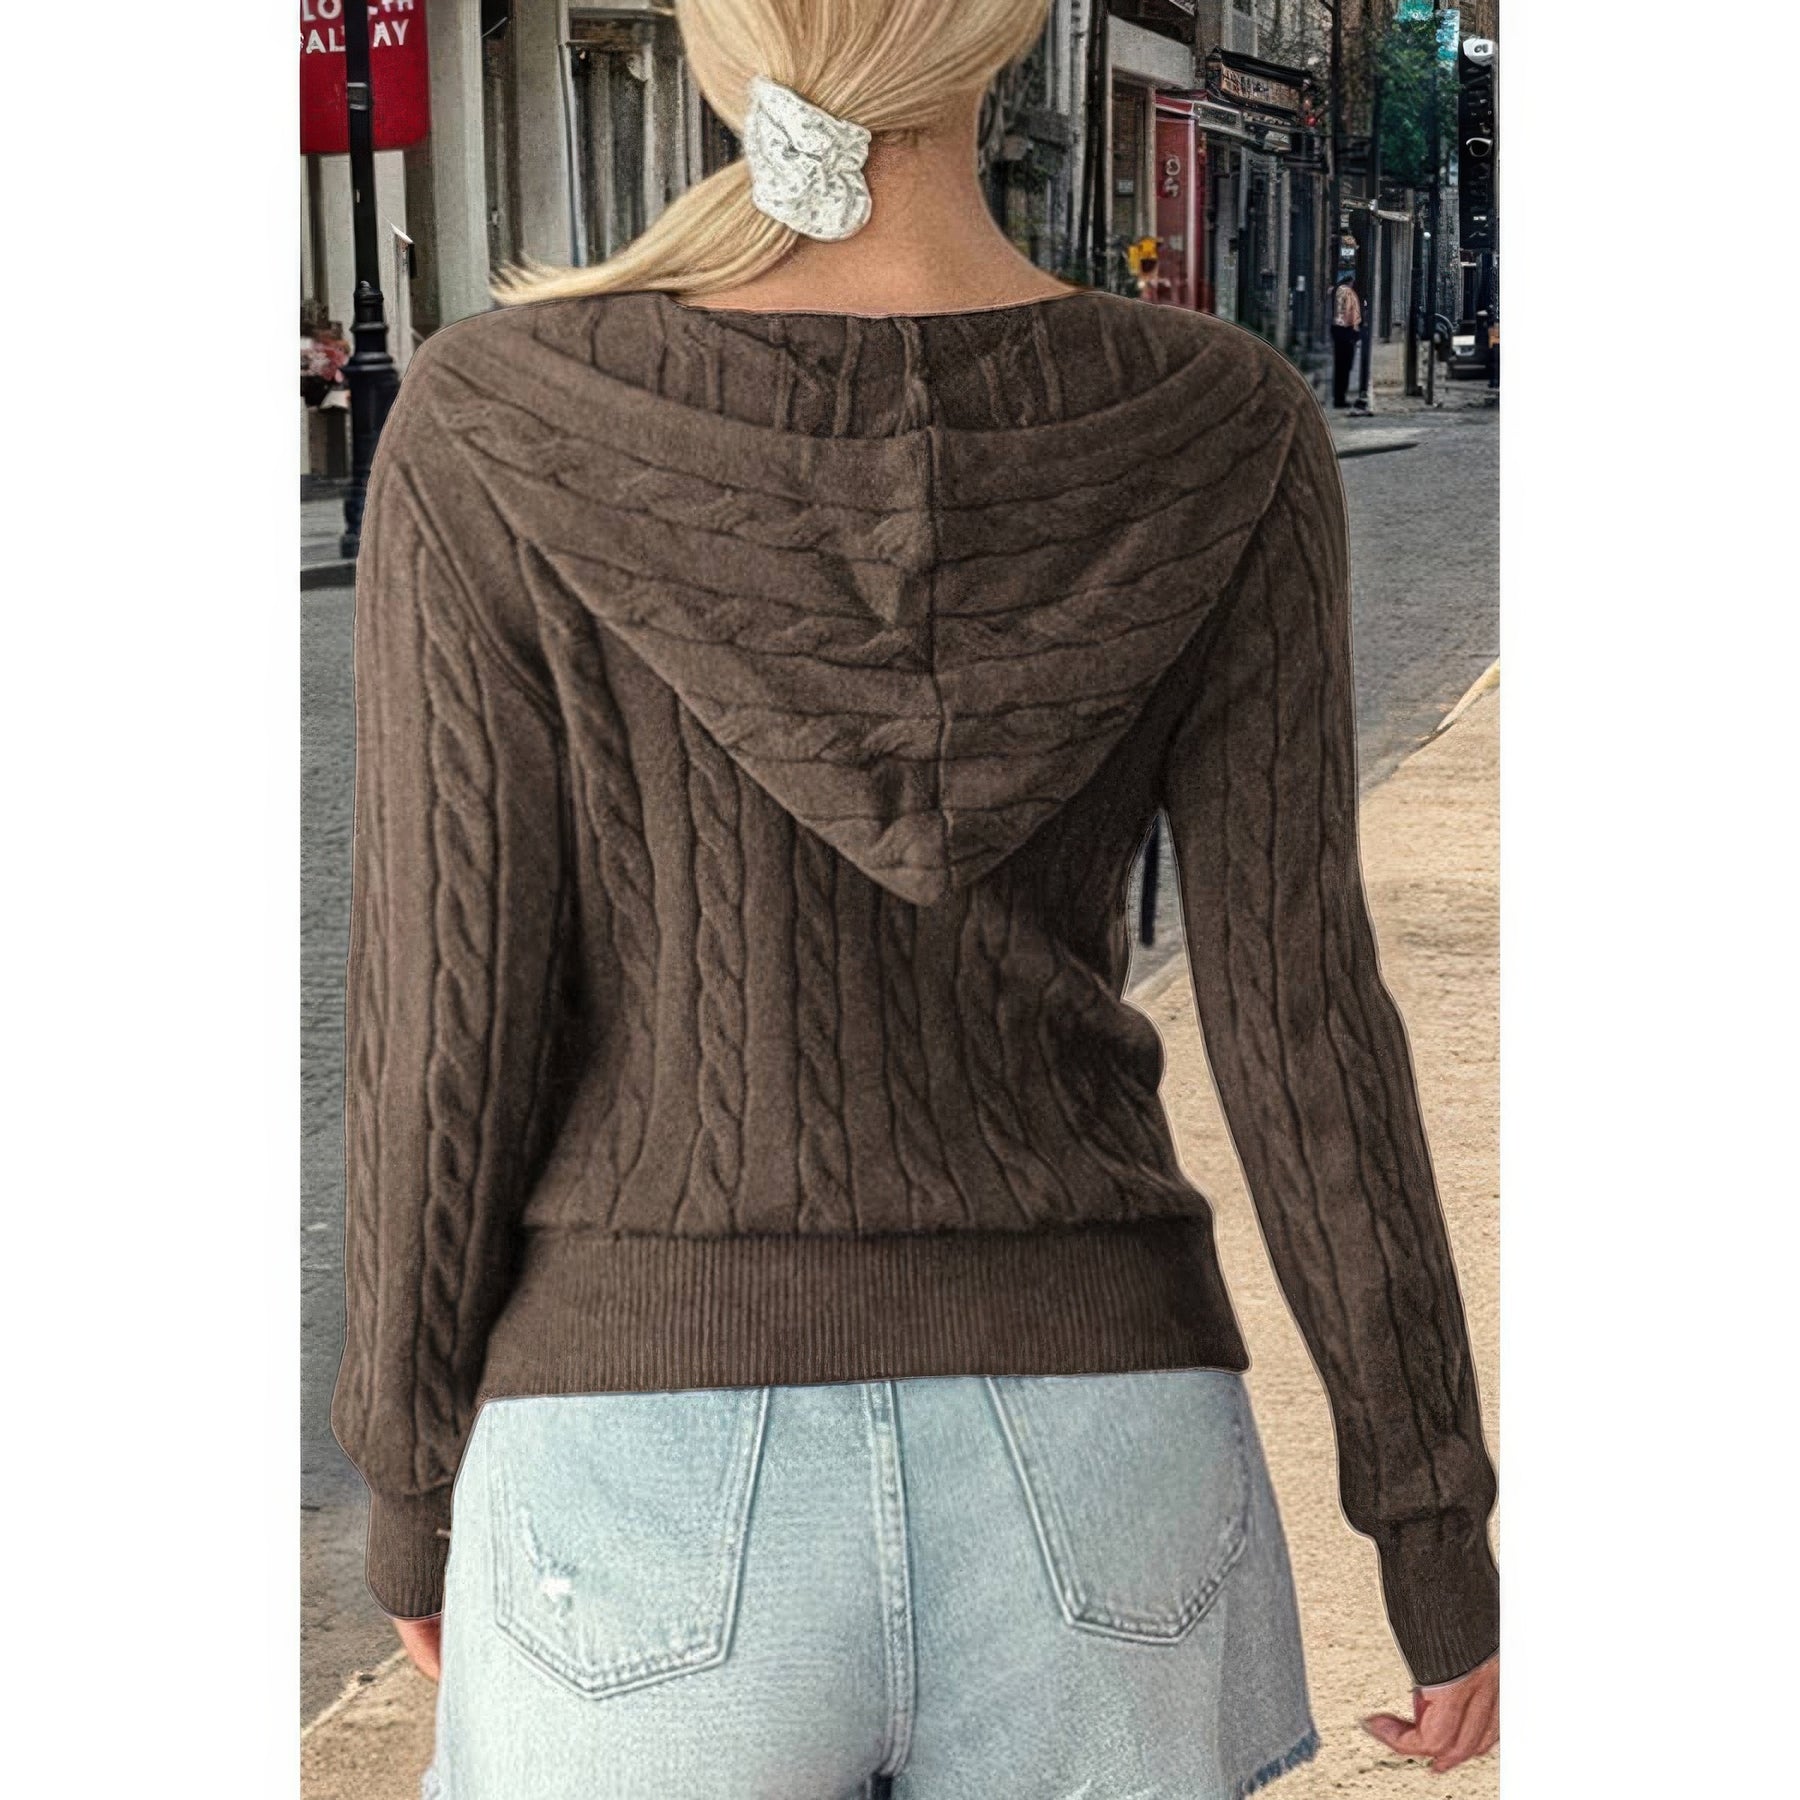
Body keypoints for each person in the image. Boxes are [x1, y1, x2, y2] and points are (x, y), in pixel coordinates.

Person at [331, 3, 1500, 1794]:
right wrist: (1429, 1525)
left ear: (722, 48)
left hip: (636, 1464)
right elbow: (1303, 1018)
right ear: (1006, 39)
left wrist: (412, 1481)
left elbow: (443, 1019)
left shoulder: (496, 421)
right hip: (1105, 1448)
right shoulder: (1225, 424)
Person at [1331, 268, 1363, 407]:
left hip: (1338, 331)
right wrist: (1355, 331)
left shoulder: (1335, 291)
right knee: (1345, 366)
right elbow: (1352, 314)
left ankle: (1338, 397)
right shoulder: (1349, 293)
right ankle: (1340, 398)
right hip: (1346, 332)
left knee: (1339, 366)